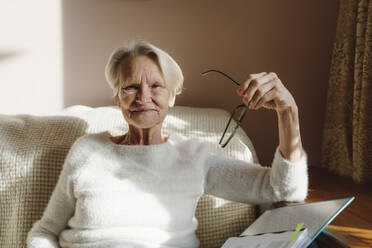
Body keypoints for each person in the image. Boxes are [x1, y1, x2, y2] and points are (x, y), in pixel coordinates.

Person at [27, 41, 308, 248]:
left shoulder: (195, 156)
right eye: (131, 87)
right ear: (117, 98)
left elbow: (284, 189)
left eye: (156, 86)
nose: (143, 97)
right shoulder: (87, 151)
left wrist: (288, 111)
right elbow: (44, 231)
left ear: (173, 96)